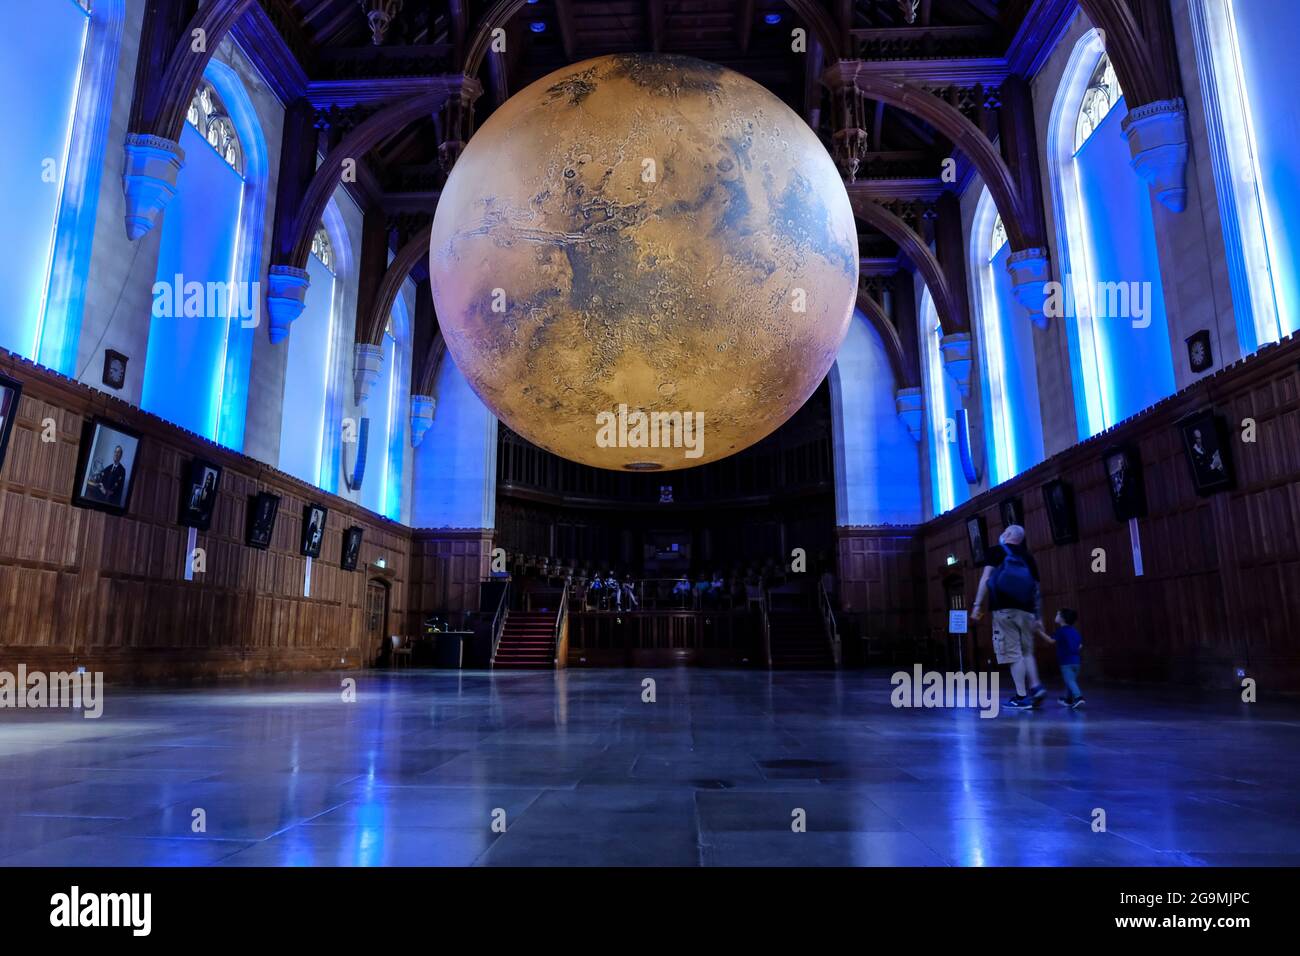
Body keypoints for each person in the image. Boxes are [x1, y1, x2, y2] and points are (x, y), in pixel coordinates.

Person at [971, 524, 1047, 711]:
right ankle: (1036, 686)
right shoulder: (1028, 556)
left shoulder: (996, 551)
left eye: (1004, 531)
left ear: (1008, 535)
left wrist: (977, 605)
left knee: (1013, 654)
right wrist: (1038, 616)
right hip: (1027, 610)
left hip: (1004, 609)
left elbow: (986, 579)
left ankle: (1021, 696)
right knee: (1027, 651)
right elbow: (1036, 588)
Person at [1046, 608, 1086, 708]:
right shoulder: (1075, 631)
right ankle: (1068, 699)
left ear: (1062, 619)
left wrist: (1038, 631)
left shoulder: (1060, 631)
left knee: (1070, 681)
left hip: (1066, 662)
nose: (1056, 615)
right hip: (1076, 662)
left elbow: (1051, 641)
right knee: (1071, 680)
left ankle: (1078, 697)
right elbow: (1080, 646)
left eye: (1057, 614)